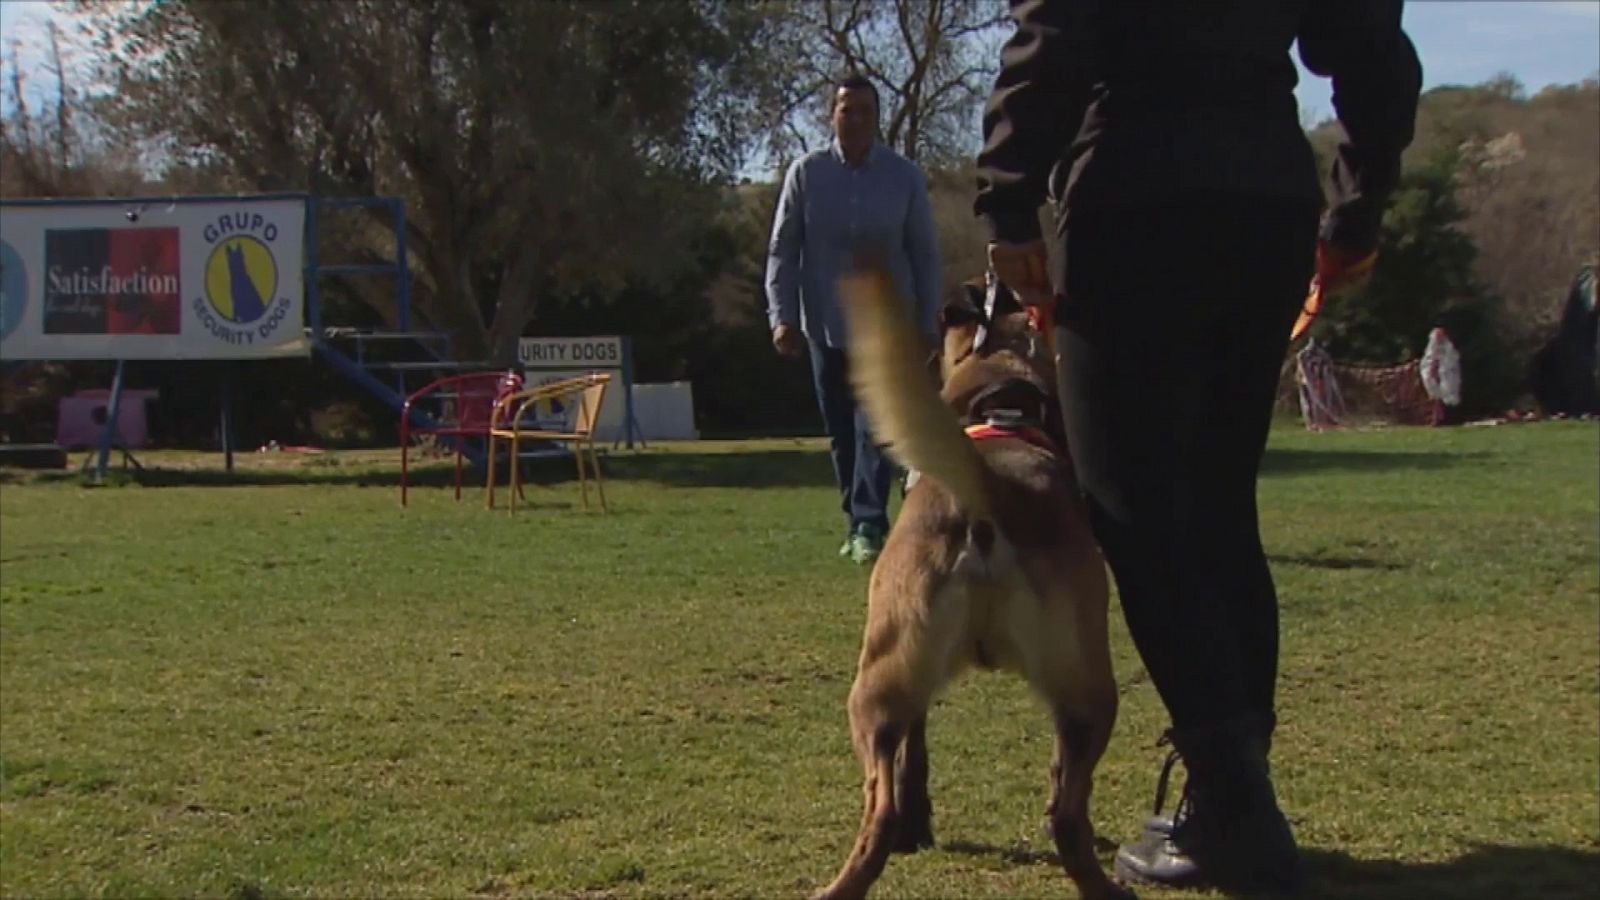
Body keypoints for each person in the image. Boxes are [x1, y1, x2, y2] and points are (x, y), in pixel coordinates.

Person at [973, 1, 1420, 893]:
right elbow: (1366, 35)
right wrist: (1360, 198)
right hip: (1264, 195)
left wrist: (1009, 194)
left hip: (1138, 190)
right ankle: (1230, 791)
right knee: (1218, 506)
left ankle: (1236, 798)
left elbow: (1059, 27)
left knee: (1132, 507)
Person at [766, 73, 943, 565]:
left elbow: (924, 253)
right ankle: (857, 519)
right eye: (847, 109)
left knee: (875, 427)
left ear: (877, 117)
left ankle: (869, 520)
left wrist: (930, 320)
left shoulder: (903, 176)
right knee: (842, 433)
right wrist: (782, 316)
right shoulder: (807, 173)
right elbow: (784, 250)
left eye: (865, 110)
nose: (857, 119)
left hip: (888, 327)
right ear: (832, 115)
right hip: (825, 324)